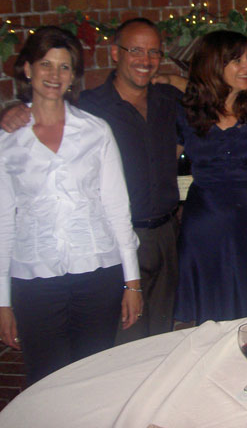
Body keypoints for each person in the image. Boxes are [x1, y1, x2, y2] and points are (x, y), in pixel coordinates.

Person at [0, 17, 182, 344]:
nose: (146, 59)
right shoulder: (91, 110)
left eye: (154, 52)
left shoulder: (168, 100)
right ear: (115, 53)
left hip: (165, 234)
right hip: (115, 240)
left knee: (161, 339)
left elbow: (211, 88)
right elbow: (45, 111)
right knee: (119, 347)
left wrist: (171, 77)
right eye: (135, 50)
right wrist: (12, 112)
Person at [0, 26, 142, 384]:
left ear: (73, 75)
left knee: (92, 377)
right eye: (46, 64)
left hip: (97, 274)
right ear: (28, 69)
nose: (55, 75)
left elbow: (117, 209)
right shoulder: (7, 140)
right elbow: (3, 221)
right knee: (45, 381)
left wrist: (132, 283)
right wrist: (3, 301)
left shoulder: (96, 131)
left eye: (64, 67)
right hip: (34, 280)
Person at [175, 30, 247, 323]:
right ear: (214, 65)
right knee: (209, 311)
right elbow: (164, 166)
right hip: (205, 223)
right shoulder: (187, 112)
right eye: (238, 60)